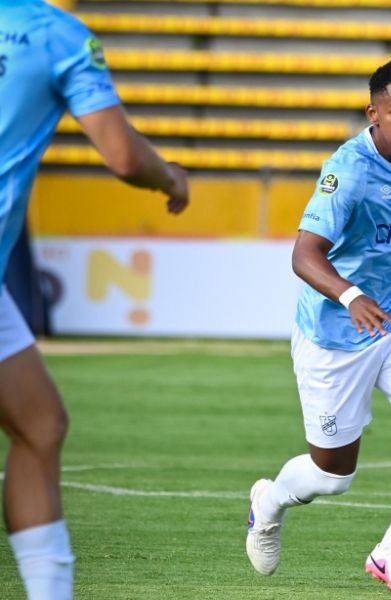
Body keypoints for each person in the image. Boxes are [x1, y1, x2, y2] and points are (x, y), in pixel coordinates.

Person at [245, 60, 391, 596]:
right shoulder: (348, 170)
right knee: (333, 476)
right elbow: (304, 254)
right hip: (333, 333)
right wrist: (351, 296)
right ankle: (270, 501)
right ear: (373, 113)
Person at [0, 2, 189, 598]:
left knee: (41, 424)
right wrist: (170, 178)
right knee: (39, 428)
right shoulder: (57, 35)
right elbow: (124, 156)